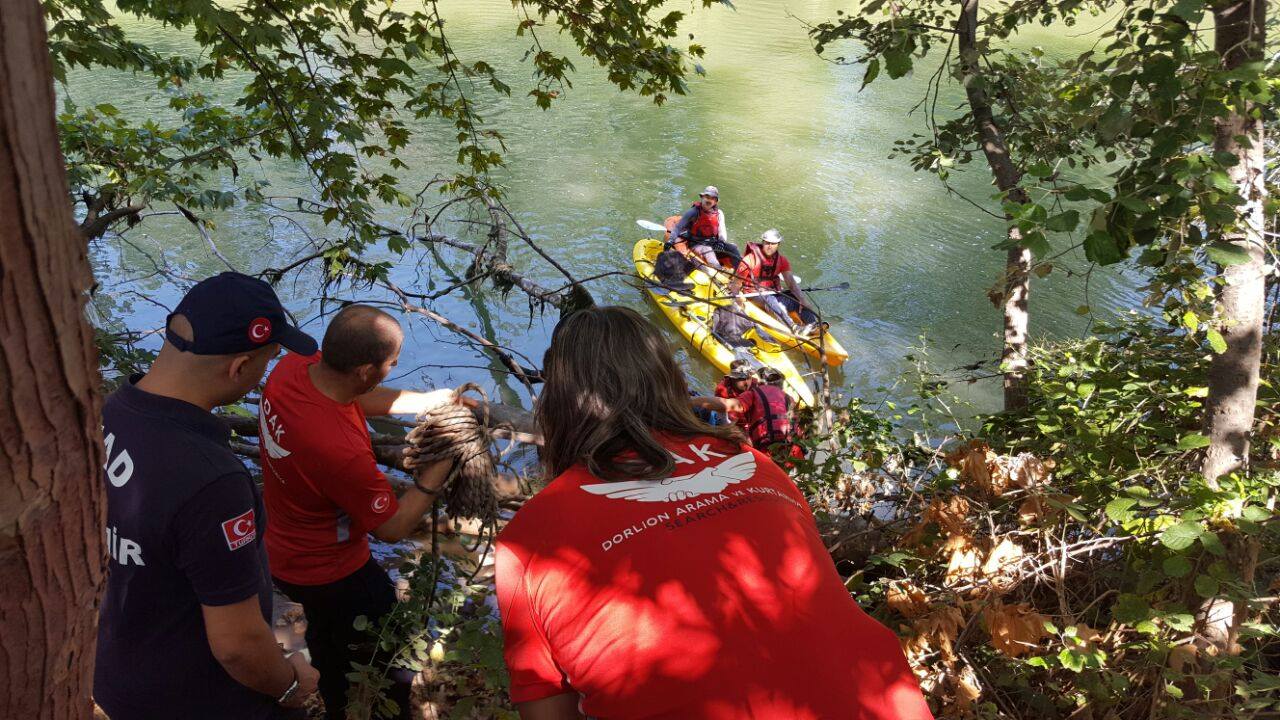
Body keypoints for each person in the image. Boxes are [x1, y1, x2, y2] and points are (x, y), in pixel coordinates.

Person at [496, 306, 933, 720]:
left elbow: (548, 712)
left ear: (557, 399)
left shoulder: (528, 538)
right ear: (667, 378)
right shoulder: (759, 466)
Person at [95, 272, 321, 720]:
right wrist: (292, 684)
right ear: (240, 367)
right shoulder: (211, 482)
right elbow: (237, 646)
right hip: (194, 697)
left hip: (118, 669)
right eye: (268, 360)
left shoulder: (108, 412)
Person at [258, 304, 457, 719]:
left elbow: (350, 397)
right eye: (391, 364)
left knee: (329, 640)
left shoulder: (292, 370)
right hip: (330, 568)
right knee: (395, 654)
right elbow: (391, 528)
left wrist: (425, 402)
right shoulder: (340, 452)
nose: (392, 369)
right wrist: (438, 470)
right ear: (367, 370)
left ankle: (335, 706)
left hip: (281, 549)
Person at [693, 367, 798, 453]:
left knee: (732, 432)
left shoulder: (755, 393)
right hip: (793, 455)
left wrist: (692, 401)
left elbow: (725, 405)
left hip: (766, 453)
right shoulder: (790, 399)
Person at [737, 228, 820, 335]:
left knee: (796, 298)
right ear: (763, 243)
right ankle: (793, 327)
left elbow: (792, 285)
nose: (770, 246)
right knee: (770, 298)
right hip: (753, 295)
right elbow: (736, 284)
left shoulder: (782, 261)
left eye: (773, 243)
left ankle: (812, 325)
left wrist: (803, 300)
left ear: (778, 244)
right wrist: (738, 298)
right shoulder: (749, 260)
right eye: (767, 243)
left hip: (773, 294)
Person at [668, 185, 741, 272]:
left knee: (733, 248)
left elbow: (722, 231)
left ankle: (740, 274)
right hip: (697, 243)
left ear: (715, 202)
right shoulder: (693, 212)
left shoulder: (719, 214)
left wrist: (721, 241)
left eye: (712, 198)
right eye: (707, 197)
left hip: (713, 242)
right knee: (707, 250)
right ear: (702, 198)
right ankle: (719, 273)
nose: (709, 200)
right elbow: (678, 227)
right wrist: (671, 240)